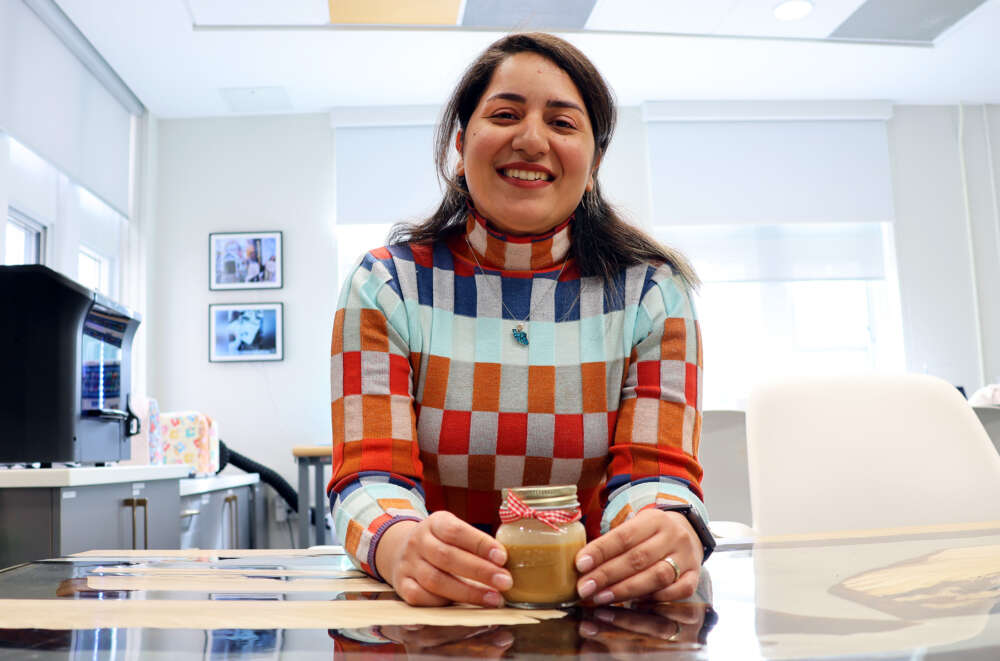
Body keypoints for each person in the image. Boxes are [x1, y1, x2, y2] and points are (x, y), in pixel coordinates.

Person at [327, 32, 712, 610]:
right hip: (431, 612)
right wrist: (398, 543)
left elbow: (655, 476)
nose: (531, 140)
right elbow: (368, 476)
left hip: (590, 602)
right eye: (505, 114)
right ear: (461, 145)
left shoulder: (651, 292)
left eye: (562, 123)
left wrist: (661, 531)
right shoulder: (387, 285)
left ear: (595, 162)